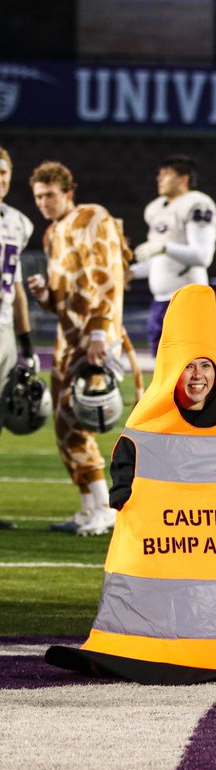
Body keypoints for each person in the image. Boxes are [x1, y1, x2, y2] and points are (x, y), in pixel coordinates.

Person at [46, 284, 216, 685]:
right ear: (173, 371)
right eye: (189, 366)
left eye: (206, 365)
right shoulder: (144, 428)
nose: (198, 376)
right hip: (145, 632)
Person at [25, 160, 132, 537]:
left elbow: (106, 274)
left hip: (92, 335)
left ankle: (106, 507)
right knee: (65, 425)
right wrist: (44, 295)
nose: (44, 203)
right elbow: (62, 296)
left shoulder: (91, 217)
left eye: (50, 195)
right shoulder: (52, 233)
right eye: (39, 197)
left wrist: (101, 330)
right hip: (67, 338)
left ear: (68, 193)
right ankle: (90, 506)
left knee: (82, 418)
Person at [128, 155, 216, 354]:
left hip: (187, 300)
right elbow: (159, 260)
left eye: (167, 174)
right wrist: (131, 272)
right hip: (160, 300)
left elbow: (203, 256)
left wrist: (164, 247)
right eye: (159, 175)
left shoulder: (197, 204)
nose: (159, 179)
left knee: (186, 365)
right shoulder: (156, 209)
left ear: (183, 179)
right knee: (160, 368)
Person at [0, 146, 37, 531]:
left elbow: (19, 289)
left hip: (5, 329)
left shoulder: (19, 222)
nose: (1, 180)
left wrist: (26, 344)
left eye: (5, 172)